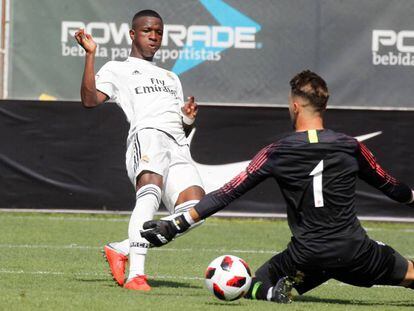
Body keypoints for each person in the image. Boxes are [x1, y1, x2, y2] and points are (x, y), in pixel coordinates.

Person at [141, 70, 414, 302]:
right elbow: (392, 187)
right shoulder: (351, 147)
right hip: (355, 252)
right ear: (324, 107)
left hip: (306, 256)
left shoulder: (277, 152)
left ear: (295, 106)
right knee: (410, 275)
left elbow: (227, 193)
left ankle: (272, 294)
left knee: (256, 283)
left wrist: (175, 224)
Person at [74, 10, 205, 291]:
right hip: (147, 137)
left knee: (196, 209)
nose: (154, 37)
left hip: (177, 145)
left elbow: (181, 126)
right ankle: (136, 275)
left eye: (158, 32)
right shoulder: (117, 68)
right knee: (150, 193)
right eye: (148, 31)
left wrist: (189, 117)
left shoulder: (172, 77)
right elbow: (89, 100)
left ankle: (122, 248)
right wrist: (90, 55)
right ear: (133, 34)